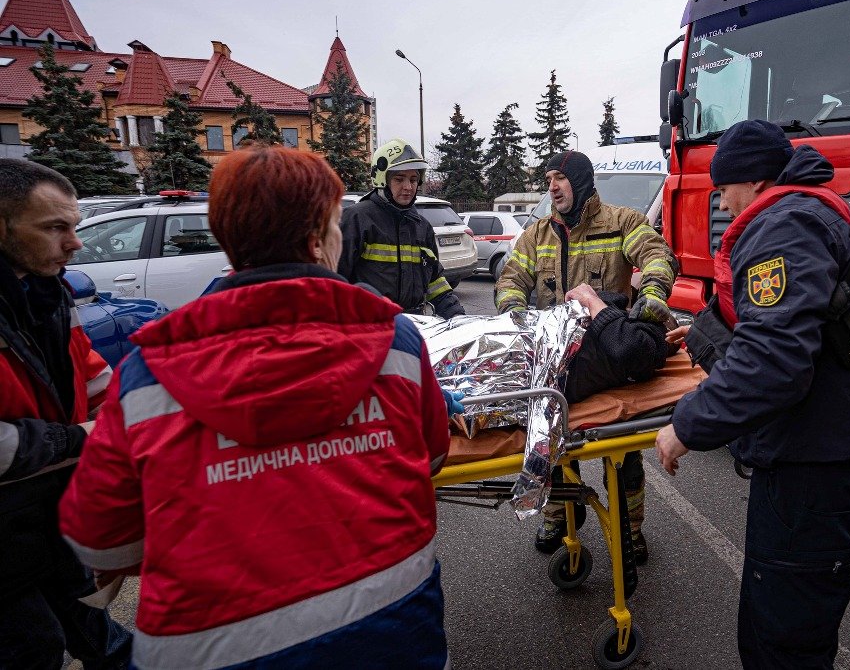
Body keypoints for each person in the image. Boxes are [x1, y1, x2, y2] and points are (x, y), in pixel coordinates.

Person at [59, 146, 452, 669]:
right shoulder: (394, 340)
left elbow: (102, 540)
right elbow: (431, 456)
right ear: (320, 239)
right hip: (395, 635)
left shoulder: (148, 372)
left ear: (226, 237)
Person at [655, 120, 850, 669]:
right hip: (828, 453)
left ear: (755, 181)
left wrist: (686, 426)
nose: (722, 204)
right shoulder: (810, 213)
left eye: (724, 189)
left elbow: (774, 361)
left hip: (814, 471)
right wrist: (703, 333)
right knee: (792, 625)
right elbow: (794, 322)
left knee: (781, 642)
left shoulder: (785, 226)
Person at [495, 149, 678, 560]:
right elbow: (510, 280)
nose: (552, 187)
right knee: (552, 445)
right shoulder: (537, 234)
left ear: (579, 181)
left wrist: (651, 295)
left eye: (559, 178)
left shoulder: (622, 222)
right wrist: (516, 317)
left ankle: (630, 529)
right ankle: (559, 518)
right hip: (557, 363)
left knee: (623, 453)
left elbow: (658, 255)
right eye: (548, 180)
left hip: (608, 357)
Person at [0, 159, 132, 668]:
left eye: (74, 226)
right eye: (56, 228)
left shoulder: (48, 292)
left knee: (98, 630)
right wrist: (81, 439)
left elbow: (91, 376)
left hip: (53, 512)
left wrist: (130, 417)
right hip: (8, 526)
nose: (75, 243)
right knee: (33, 646)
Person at [339, 139, 465, 318]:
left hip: (415, 323)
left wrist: (457, 316)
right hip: (369, 325)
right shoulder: (356, 219)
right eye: (399, 179)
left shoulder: (422, 227)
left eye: (413, 179)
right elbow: (333, 279)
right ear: (382, 179)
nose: (408, 187)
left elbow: (434, 280)